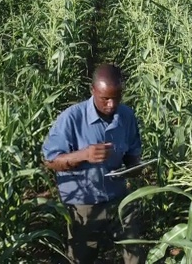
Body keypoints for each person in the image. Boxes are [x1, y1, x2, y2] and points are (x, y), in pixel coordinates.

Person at [42, 63, 147, 264]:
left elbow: (132, 153)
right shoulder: (71, 118)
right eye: (105, 98)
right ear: (93, 91)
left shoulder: (126, 116)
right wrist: (83, 154)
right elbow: (50, 160)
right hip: (85, 202)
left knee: (135, 249)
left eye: (116, 98)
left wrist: (136, 166)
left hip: (117, 196)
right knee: (82, 257)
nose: (111, 105)